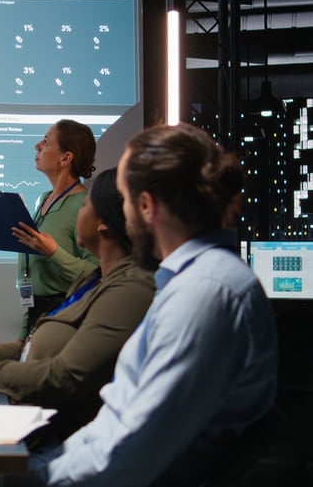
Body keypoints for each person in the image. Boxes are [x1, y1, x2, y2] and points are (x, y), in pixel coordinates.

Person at [25, 123, 278, 486]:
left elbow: (132, 450)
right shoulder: (190, 283)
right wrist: (35, 467)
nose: (120, 217)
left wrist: (26, 480)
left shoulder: (204, 293)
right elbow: (114, 424)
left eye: (124, 201)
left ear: (146, 206)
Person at [0, 168, 155, 442]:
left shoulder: (130, 287)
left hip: (50, 438)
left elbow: (64, 376)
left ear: (103, 223)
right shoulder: (94, 280)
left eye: (85, 206)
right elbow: (28, 347)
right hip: (26, 418)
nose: (78, 213)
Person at [15, 120, 99, 340]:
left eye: (45, 142)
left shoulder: (85, 204)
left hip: (65, 318)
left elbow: (98, 273)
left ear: (66, 158)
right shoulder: (44, 199)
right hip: (36, 313)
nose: (37, 146)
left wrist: (54, 253)